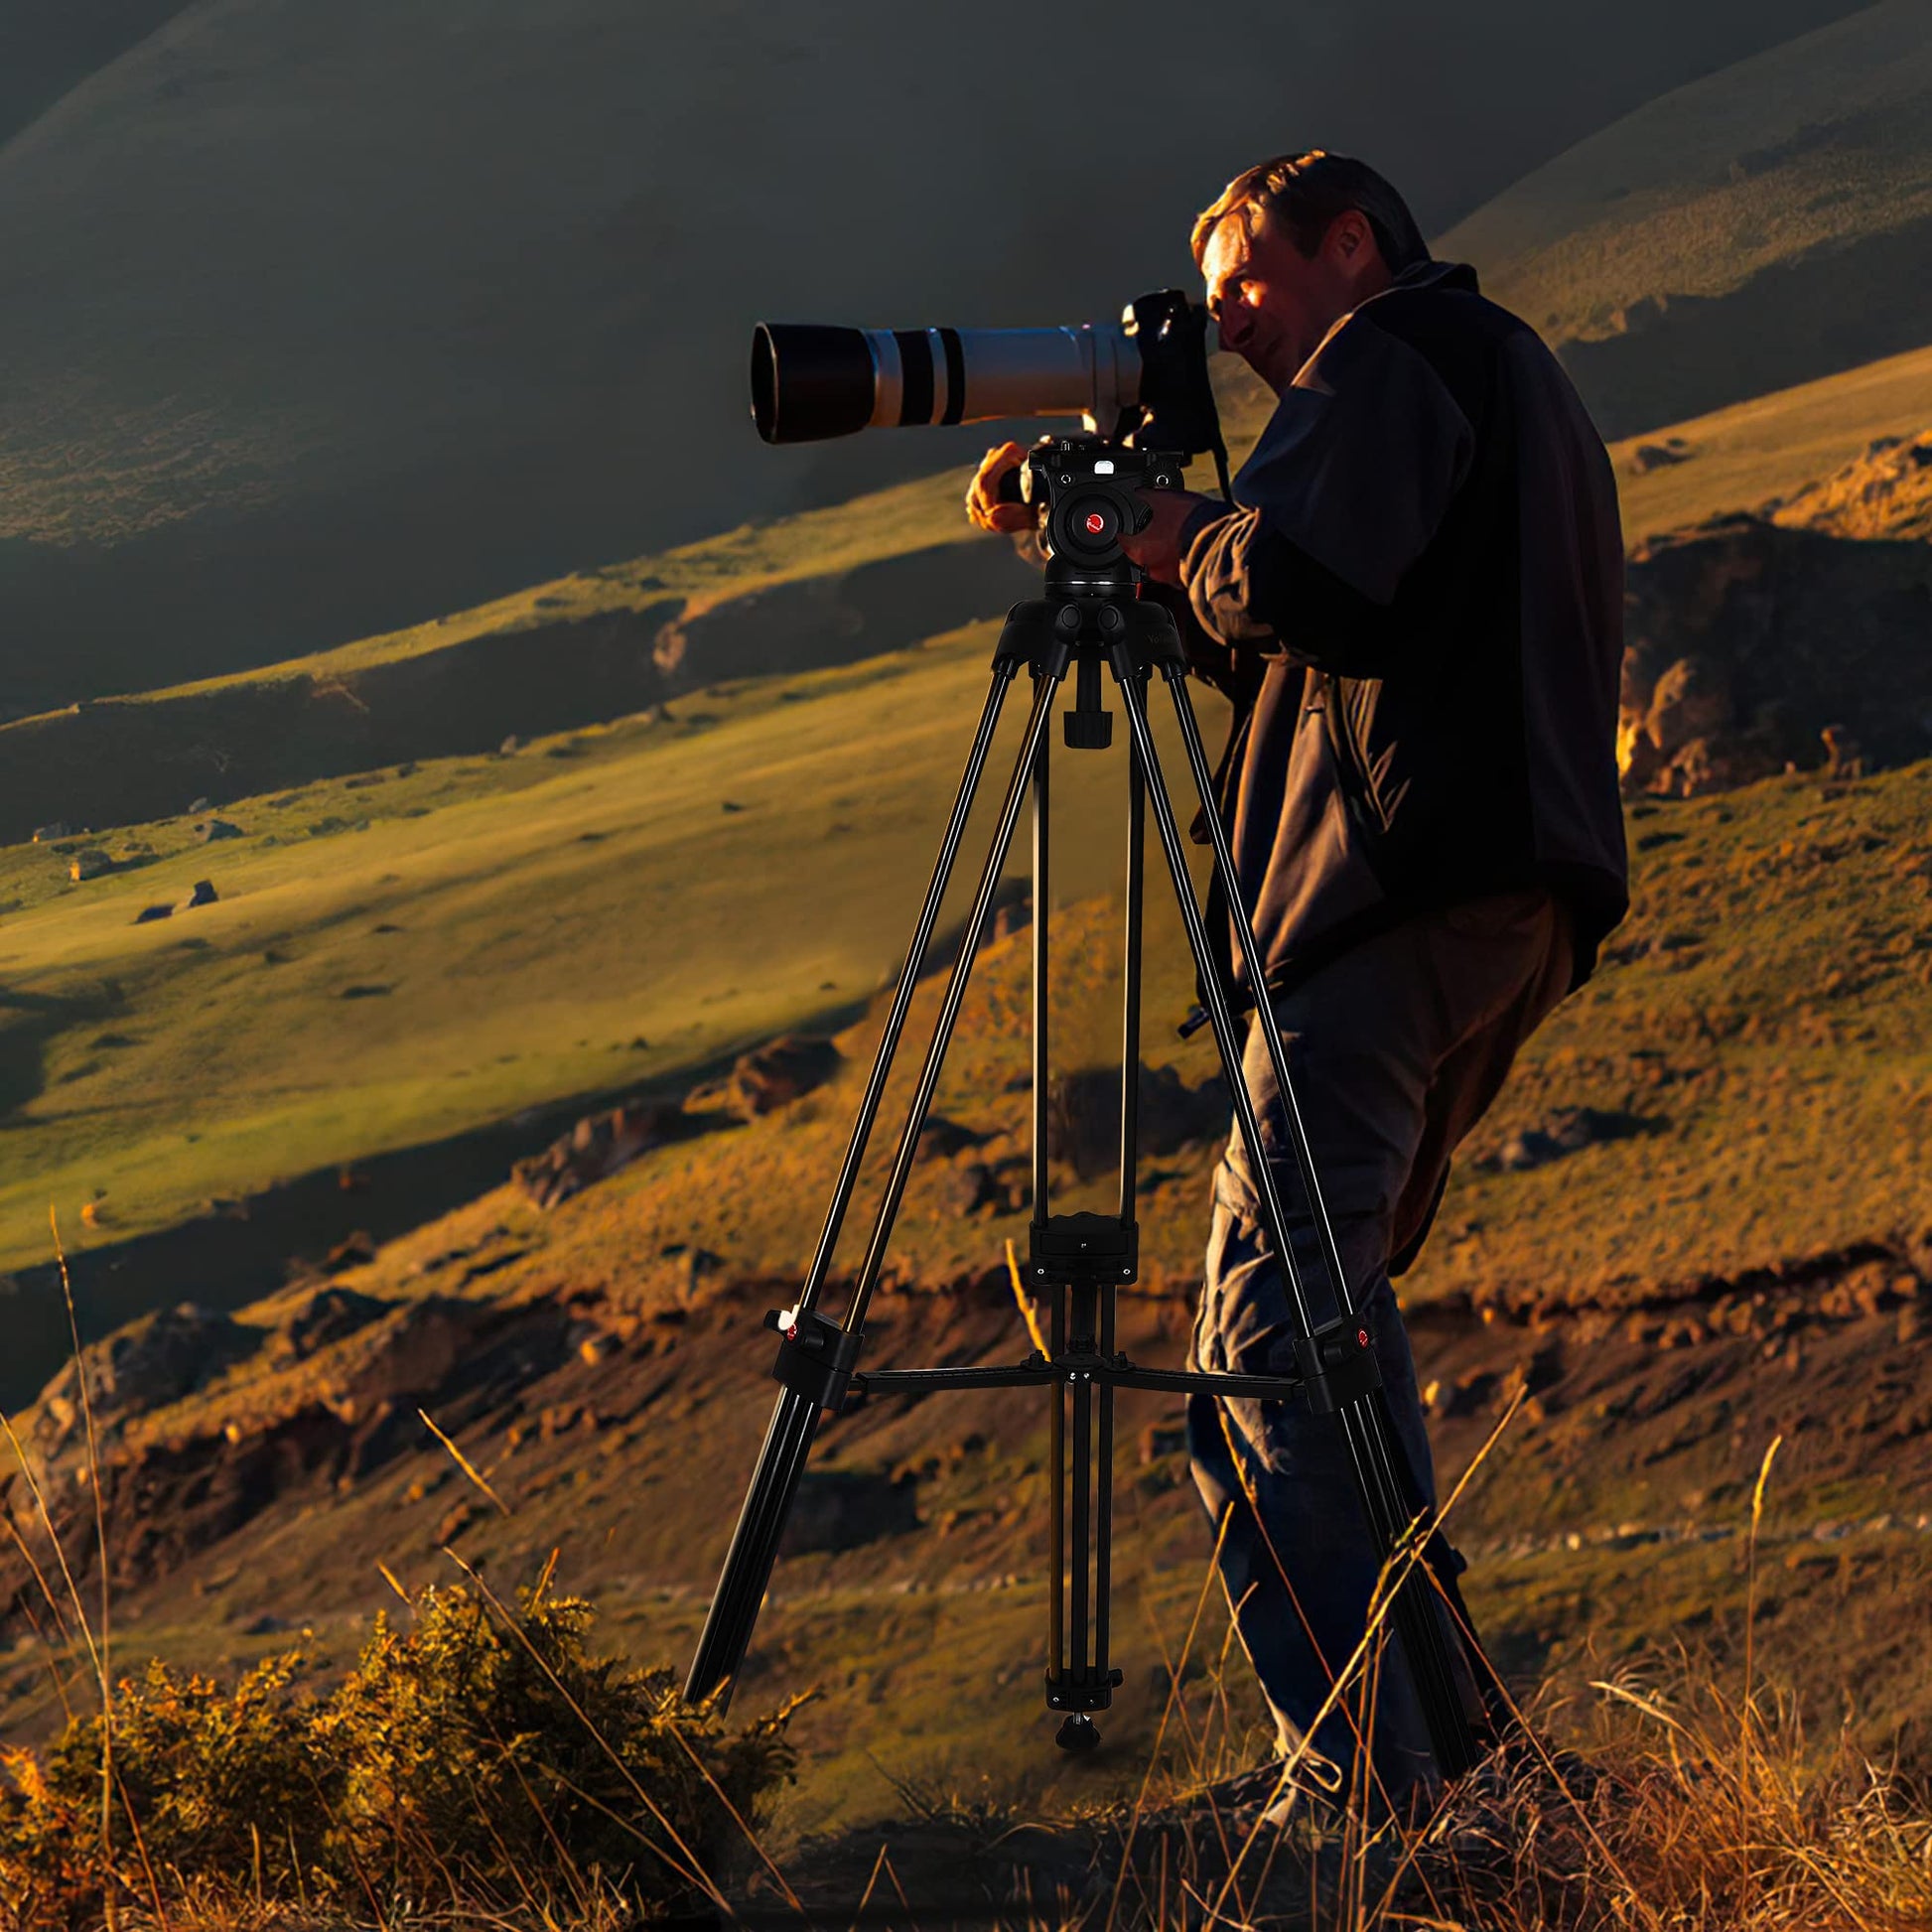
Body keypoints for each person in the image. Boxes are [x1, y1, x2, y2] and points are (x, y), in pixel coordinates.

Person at [965, 150, 1628, 1810]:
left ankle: (1365, 1803)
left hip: (1387, 906)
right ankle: (1467, 1770)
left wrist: (1177, 523)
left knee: (1255, 1352)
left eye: (1248, 275)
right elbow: (1326, 642)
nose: (1229, 318)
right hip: (1501, 902)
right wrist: (1132, 554)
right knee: (1328, 1341)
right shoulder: (1505, 378)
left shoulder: (1388, 358)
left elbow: (1308, 584)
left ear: (1351, 244)